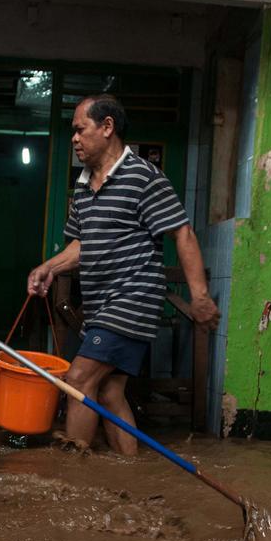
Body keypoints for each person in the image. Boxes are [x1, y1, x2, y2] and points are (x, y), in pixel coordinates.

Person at [27, 94, 219, 455]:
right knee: (111, 391)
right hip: (101, 305)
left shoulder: (143, 177)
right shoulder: (83, 188)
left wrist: (200, 296)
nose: (74, 138)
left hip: (132, 299)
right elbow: (81, 245)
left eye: (80, 130)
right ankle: (130, 471)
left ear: (107, 127)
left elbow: (182, 232)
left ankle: (72, 478)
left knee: (78, 378)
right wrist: (48, 267)